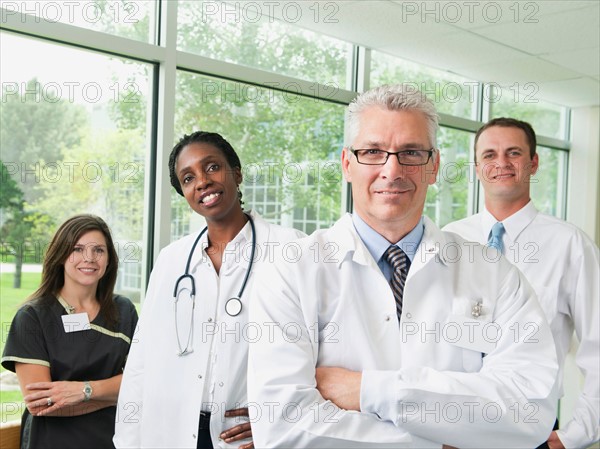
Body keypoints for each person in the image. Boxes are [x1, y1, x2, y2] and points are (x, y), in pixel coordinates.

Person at [247, 84, 560, 448]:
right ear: (347, 164)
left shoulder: (493, 272)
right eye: (373, 152)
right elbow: (284, 426)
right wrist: (436, 444)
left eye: (411, 152)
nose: (392, 170)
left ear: (434, 166)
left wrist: (367, 390)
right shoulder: (291, 271)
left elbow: (530, 410)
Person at [113, 131, 304, 449]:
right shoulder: (172, 259)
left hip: (245, 435)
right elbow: (142, 360)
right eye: (188, 178)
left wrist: (281, 421)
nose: (201, 181)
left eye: (212, 167)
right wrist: (127, 441)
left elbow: (320, 350)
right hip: (171, 430)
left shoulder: (290, 247)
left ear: (237, 173)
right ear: (185, 193)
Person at [444, 117, 599, 449]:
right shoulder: (449, 239)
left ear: (533, 163)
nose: (500, 162)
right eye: (489, 155)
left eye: (513, 153)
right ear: (476, 167)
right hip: (450, 428)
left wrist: (575, 436)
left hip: (528, 431)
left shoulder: (570, 245)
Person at [1, 214, 139, 449]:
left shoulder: (124, 312)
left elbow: (143, 383)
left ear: (109, 260)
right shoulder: (33, 318)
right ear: (60, 255)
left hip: (114, 441)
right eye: (77, 248)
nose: (89, 258)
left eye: (99, 250)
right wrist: (116, 393)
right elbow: (42, 404)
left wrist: (83, 390)